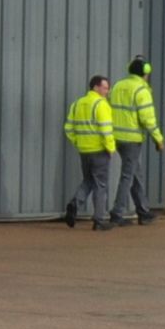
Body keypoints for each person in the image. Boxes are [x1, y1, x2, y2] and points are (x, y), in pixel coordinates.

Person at [107, 56, 165, 227]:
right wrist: (158, 139)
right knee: (127, 176)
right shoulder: (141, 90)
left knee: (135, 174)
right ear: (146, 72)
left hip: (117, 138)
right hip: (132, 139)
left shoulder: (118, 86)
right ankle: (117, 213)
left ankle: (143, 211)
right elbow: (148, 118)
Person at [62, 74, 118, 228]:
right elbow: (106, 130)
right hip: (99, 151)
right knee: (101, 185)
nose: (107, 91)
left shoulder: (77, 103)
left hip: (84, 151)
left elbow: (68, 128)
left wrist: (78, 141)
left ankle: (75, 203)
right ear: (96, 87)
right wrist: (111, 148)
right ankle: (99, 221)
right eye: (105, 87)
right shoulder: (101, 105)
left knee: (89, 180)